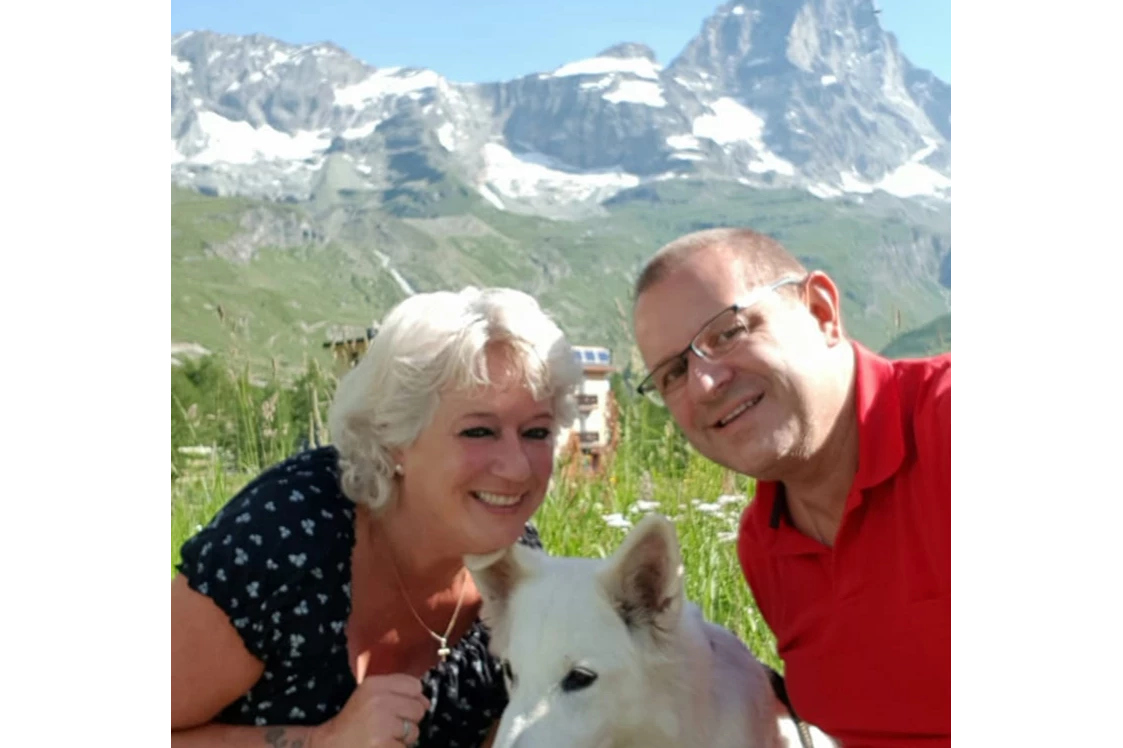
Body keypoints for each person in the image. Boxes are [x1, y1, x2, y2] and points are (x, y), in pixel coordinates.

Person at [170, 286, 581, 747]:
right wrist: (324, 742)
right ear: (394, 439)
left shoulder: (517, 575)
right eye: (479, 431)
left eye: (537, 432)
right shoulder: (285, 537)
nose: (518, 467)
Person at [630, 228, 950, 748]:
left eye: (726, 333)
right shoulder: (765, 543)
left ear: (822, 311)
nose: (704, 384)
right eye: (673, 372)